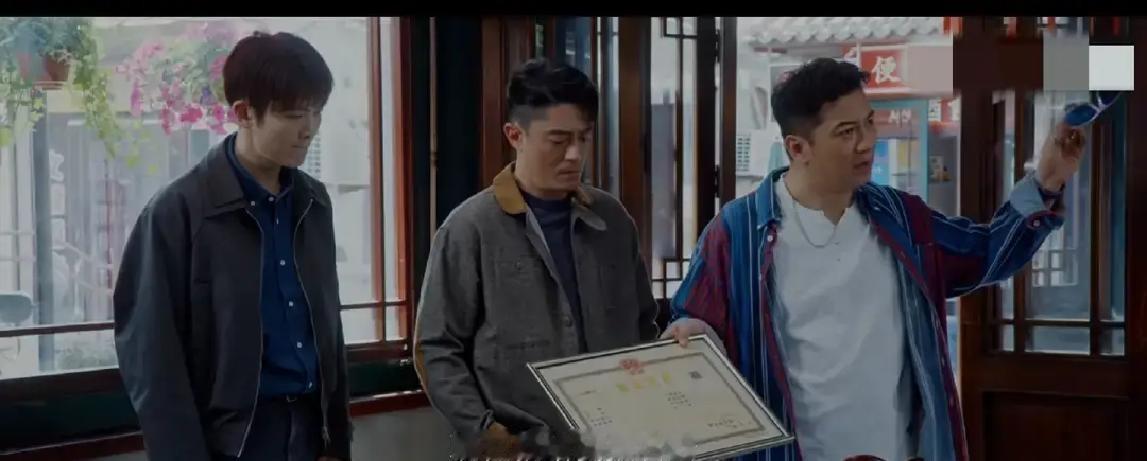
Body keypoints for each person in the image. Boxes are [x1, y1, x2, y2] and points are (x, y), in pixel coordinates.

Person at [664, 58, 1084, 461]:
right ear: (798, 147)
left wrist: (1046, 181)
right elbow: (695, 325)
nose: (866, 141)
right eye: (846, 132)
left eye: (868, 122)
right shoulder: (738, 232)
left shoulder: (900, 217)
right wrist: (693, 333)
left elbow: (985, 253)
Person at [114, 31, 350, 461]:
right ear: (244, 113)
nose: (309, 128)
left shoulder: (314, 203)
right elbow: (153, 364)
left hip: (311, 433)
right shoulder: (177, 212)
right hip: (233, 442)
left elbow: (330, 332)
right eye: (293, 114)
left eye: (317, 111)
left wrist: (336, 439)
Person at [414, 57, 661, 458]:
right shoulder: (470, 228)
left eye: (584, 138)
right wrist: (486, 435)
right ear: (515, 135)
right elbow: (437, 348)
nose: (574, 155)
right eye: (558, 140)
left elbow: (643, 325)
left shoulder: (612, 221)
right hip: (520, 449)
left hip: (616, 445)